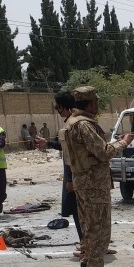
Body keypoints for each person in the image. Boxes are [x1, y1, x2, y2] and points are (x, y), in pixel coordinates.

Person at [64, 86, 134, 267]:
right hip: (93, 184)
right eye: (95, 101)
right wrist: (124, 142)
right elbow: (104, 152)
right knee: (98, 230)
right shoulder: (84, 125)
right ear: (91, 103)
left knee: (88, 229)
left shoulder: (72, 122)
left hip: (83, 183)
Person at [38, 90, 82, 245]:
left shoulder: (72, 125)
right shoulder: (76, 122)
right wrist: (48, 143)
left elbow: (71, 154)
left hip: (77, 176)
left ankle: (88, 246)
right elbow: (67, 147)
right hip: (79, 175)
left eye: (58, 108)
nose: (58, 111)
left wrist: (70, 179)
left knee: (79, 211)